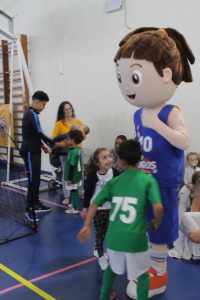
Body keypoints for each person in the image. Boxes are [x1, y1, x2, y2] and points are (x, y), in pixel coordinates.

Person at [114, 27, 195, 298]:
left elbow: (184, 141)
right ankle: (150, 268)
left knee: (160, 233)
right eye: (122, 78)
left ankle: (159, 277)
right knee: (145, 228)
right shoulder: (138, 115)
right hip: (143, 181)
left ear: (167, 75)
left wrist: (157, 126)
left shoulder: (171, 112)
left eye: (134, 77)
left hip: (165, 183)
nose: (127, 86)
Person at [78, 139, 163, 300]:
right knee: (144, 274)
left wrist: (86, 225)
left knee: (112, 268)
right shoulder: (147, 180)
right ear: (140, 159)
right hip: (135, 238)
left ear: (120, 160)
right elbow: (158, 207)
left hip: (115, 238)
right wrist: (156, 222)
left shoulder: (115, 181)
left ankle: (103, 296)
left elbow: (94, 203)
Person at [80, 147, 120, 270]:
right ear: (97, 163)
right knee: (100, 232)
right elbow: (87, 193)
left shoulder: (115, 172)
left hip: (110, 208)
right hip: (96, 209)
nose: (109, 159)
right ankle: (101, 255)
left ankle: (97, 248)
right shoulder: (92, 176)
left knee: (107, 231)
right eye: (104, 158)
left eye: (109, 156)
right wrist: (85, 207)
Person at [20, 91, 53, 222]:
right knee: (33, 179)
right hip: (29, 151)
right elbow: (39, 133)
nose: (44, 107)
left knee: (37, 179)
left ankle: (36, 203)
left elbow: (34, 134)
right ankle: (29, 209)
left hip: (34, 150)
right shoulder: (31, 114)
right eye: (43, 105)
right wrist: (52, 143)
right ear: (37, 102)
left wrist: (42, 146)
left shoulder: (33, 114)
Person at [52, 101, 89, 204]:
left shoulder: (78, 122)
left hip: (78, 151)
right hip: (65, 152)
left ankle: (81, 192)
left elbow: (83, 136)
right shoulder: (59, 124)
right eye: (66, 109)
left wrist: (77, 128)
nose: (69, 111)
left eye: (70, 108)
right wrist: (65, 138)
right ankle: (67, 196)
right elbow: (54, 138)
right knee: (66, 173)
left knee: (80, 172)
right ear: (62, 111)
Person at [169, 171, 200, 260]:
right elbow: (180, 222)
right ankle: (197, 253)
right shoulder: (186, 196)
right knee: (186, 217)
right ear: (194, 184)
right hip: (190, 234)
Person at [64, 129, 84, 214]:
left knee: (74, 190)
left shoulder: (73, 152)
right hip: (76, 174)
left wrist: (69, 178)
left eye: (69, 139)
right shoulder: (76, 149)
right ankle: (73, 204)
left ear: (73, 140)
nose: (67, 140)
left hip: (73, 175)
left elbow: (72, 165)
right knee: (73, 189)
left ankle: (74, 208)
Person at [179, 152, 200, 219]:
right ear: (188, 161)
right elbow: (185, 179)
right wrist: (187, 184)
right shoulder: (186, 169)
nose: (194, 161)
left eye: (196, 160)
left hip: (197, 188)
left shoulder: (199, 169)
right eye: (192, 160)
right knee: (183, 196)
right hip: (188, 186)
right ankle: (182, 215)